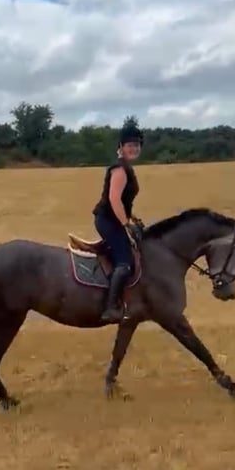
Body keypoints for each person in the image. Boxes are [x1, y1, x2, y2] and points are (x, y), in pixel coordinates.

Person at [92, 123, 145, 323]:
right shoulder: (120, 170)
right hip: (108, 221)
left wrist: (131, 219)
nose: (134, 148)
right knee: (125, 262)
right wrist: (126, 224)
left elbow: (123, 202)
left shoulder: (126, 168)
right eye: (130, 145)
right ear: (121, 146)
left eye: (137, 145)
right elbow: (114, 199)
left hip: (114, 219)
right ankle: (110, 307)